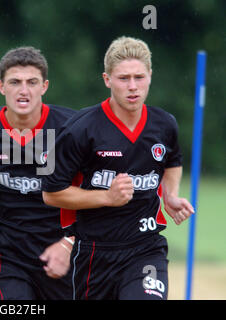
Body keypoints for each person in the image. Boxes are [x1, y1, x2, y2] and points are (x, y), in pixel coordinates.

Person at [42, 36, 194, 300]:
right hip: (95, 254)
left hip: (146, 248)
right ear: (107, 80)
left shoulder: (164, 124)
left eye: (139, 77)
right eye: (123, 78)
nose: (133, 87)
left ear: (150, 76)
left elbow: (172, 162)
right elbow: (51, 192)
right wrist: (106, 197)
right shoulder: (81, 129)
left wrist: (169, 194)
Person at [0, 46, 78, 300]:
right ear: (1, 86)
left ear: (44, 86)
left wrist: (69, 244)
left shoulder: (72, 130)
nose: (24, 91)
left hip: (59, 253)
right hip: (7, 254)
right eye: (15, 82)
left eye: (32, 82)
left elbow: (92, 193)